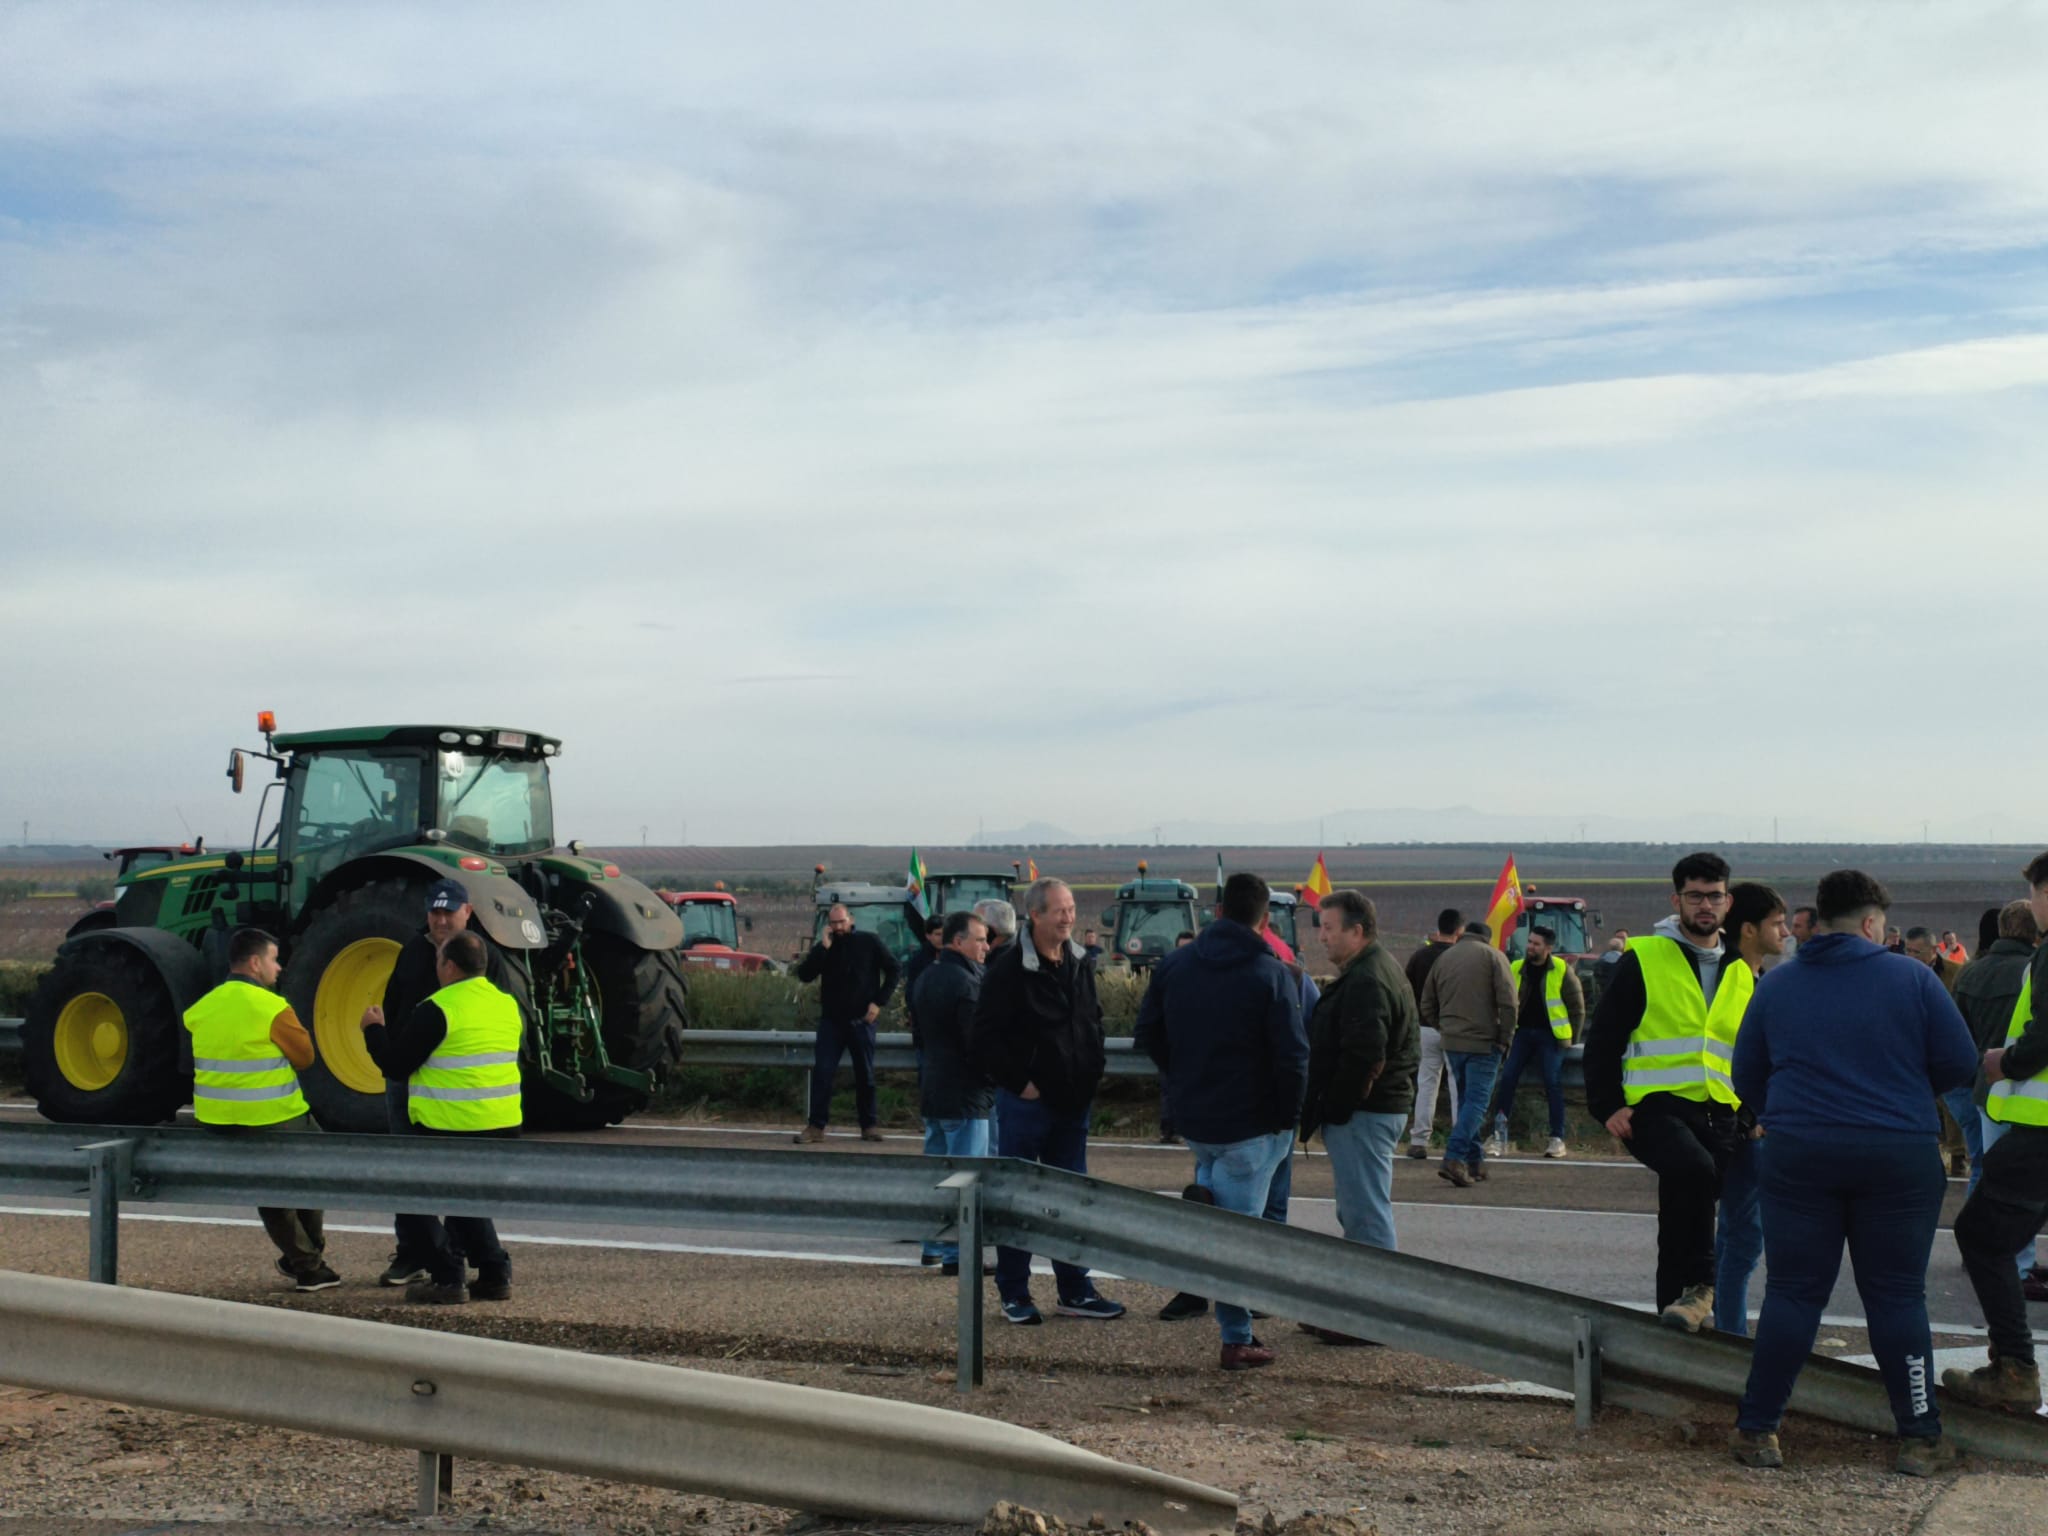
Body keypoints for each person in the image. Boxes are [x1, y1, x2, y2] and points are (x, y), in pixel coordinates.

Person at [1729, 869, 1977, 1476]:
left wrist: (1791, 1117)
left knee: (1791, 1293)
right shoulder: (1915, 979)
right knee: (1895, 1296)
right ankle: (1919, 1438)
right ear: (1872, 924)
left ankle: (1758, 1429)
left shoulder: (1779, 984)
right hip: (1898, 1154)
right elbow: (1960, 1064)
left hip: (1799, 1153)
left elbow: (1746, 1074)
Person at [1135, 872, 1306, 1369]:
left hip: (1198, 1120)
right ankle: (1237, 1338)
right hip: (1253, 1125)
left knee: (1215, 1211)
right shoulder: (1271, 973)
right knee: (1238, 1238)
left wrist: (1182, 1076)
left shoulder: (1176, 964)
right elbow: (1293, 1056)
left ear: (1216, 912)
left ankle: (1207, 1279)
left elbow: (1149, 1031)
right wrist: (1287, 1119)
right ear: (1264, 919)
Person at [1583, 852, 1742, 1331]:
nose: (1705, 906)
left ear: (1728, 902)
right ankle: (1704, 1284)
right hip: (1653, 1108)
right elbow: (1604, 1035)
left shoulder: (1739, 968)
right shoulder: (1646, 957)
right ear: (1677, 901)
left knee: (1683, 1203)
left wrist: (1754, 1112)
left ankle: (1675, 1316)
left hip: (1719, 1111)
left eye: (1714, 896)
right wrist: (1607, 1104)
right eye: (1695, 896)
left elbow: (1749, 1049)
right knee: (1693, 1172)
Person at [969, 877, 1123, 1324]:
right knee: (1019, 1197)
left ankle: (1075, 1290)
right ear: (1034, 915)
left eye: (1072, 908)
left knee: (1070, 1199)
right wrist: (1020, 1084)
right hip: (1027, 1104)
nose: (1069, 916)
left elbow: (1090, 1020)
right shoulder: (1008, 969)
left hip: (1073, 1102)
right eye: (1059, 909)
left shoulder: (1079, 961)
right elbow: (983, 1038)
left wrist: (1092, 1070)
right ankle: (1014, 1292)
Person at [360, 877, 518, 1288]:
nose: (441, 919)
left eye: (450, 911)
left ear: (468, 912)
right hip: (448, 1098)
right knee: (451, 1186)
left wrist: (375, 1034)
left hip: (448, 1104)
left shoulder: (482, 962)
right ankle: (478, 1265)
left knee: (414, 1184)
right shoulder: (413, 952)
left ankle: (448, 1271)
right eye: (435, 911)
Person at [1946, 855, 2048, 1413]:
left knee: (1981, 1237)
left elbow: (2044, 1035)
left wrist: (2004, 1063)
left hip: (2038, 1133)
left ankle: (2014, 1369)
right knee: (2000, 1240)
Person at [183, 927, 337, 1292]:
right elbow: (305, 1057)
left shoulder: (202, 1008)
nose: (279, 968)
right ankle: (308, 1263)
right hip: (272, 1116)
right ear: (255, 963)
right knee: (316, 1163)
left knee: (269, 1185)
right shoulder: (271, 1007)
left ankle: (303, 1258)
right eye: (273, 959)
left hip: (216, 1120)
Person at [1300, 890, 1418, 1310]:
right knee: (1359, 1210)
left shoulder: (1367, 979)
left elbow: (1366, 1055)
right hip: (1371, 1111)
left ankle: (1375, 1313)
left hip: (1365, 1114)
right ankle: (1360, 1308)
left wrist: (1335, 1107)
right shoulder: (1372, 969)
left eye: (1329, 928)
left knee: (1365, 1214)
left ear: (1358, 930)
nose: (1322, 938)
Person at [1950, 899, 2043, 1296]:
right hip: (2032, 1093)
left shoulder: (1971, 973)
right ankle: (2017, 1264)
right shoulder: (2034, 968)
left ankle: (1987, 1255)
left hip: (1987, 1089)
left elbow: (1957, 1034)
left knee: (1987, 1171)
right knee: (2024, 1186)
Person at [1711, 882, 1789, 1336]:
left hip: (1737, 1121)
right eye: (1776, 924)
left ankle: (1728, 1329)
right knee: (1742, 1239)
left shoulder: (1747, 976)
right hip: (1743, 1125)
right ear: (1747, 929)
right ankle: (1732, 1338)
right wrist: (1753, 1118)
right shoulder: (1738, 979)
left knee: (1734, 1236)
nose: (1784, 931)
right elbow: (1731, 1055)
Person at [911, 910, 994, 1273]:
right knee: (966, 1177)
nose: (986, 946)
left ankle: (933, 1245)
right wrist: (993, 1081)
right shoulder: (968, 984)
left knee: (938, 1175)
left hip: (933, 1088)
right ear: (958, 941)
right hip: (964, 1096)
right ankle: (959, 1256)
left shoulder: (926, 977)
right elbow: (976, 1044)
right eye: (979, 939)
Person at [1417, 919, 1514, 1188]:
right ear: (1487, 938)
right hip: (1484, 1043)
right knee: (1477, 1104)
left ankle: (1475, 1161)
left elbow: (1426, 1001)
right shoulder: (1495, 957)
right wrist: (1505, 1039)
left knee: (1465, 1102)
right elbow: (1508, 1002)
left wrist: (1443, 1027)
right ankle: (1454, 1157)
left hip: (1452, 1042)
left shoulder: (1445, 958)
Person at [792, 903, 900, 1144]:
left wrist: (878, 1002)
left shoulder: (869, 942)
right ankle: (816, 1127)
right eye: (834, 923)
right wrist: (823, 948)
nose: (839, 927)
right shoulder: (826, 948)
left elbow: (894, 969)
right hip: (832, 1022)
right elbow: (805, 975)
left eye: (842, 922)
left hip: (862, 1021)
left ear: (850, 920)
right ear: (828, 925)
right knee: (823, 1073)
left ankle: (868, 1125)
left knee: (865, 1075)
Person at [1483, 925, 1584, 1160]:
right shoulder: (1516, 967)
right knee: (1507, 1078)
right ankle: (1498, 1136)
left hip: (1551, 1037)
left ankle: (1556, 1138)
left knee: (1552, 1081)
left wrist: (1572, 1039)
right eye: (1529, 942)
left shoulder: (1561, 969)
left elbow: (1577, 1007)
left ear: (1548, 948)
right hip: (1521, 1034)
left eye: (1536, 944)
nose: (1530, 947)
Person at [1402, 909, 1463, 1159]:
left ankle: (1419, 1140)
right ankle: (1459, 1141)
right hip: (1454, 1028)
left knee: (1426, 1083)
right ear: (1460, 931)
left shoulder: (1420, 956)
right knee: (1457, 1084)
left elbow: (1406, 990)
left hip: (1425, 1027)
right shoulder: (1460, 957)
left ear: (1438, 928)